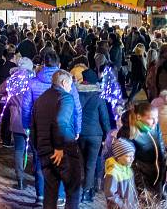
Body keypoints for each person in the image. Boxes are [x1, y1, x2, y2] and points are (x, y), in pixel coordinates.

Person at [31, 69, 82, 209]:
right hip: (63, 151)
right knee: (73, 189)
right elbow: (61, 122)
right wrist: (59, 147)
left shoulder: (40, 99)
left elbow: (33, 126)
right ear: (64, 82)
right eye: (70, 84)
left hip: (44, 151)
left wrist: (38, 149)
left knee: (50, 191)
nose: (71, 88)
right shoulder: (66, 97)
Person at [0, 56, 34, 190]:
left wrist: (9, 100)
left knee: (19, 149)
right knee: (34, 149)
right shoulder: (32, 82)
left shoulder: (12, 80)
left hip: (16, 119)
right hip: (31, 118)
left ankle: (20, 179)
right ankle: (36, 176)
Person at [116, 101, 166, 197]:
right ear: (139, 117)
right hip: (142, 181)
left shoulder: (155, 127)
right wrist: (141, 186)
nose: (155, 121)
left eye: (156, 117)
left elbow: (161, 145)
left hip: (159, 177)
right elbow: (129, 163)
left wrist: (164, 163)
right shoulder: (127, 133)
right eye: (151, 118)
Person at [77, 68, 111, 202]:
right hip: (95, 135)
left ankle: (88, 188)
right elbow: (104, 118)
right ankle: (87, 191)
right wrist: (107, 135)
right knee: (91, 164)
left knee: (84, 162)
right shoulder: (98, 97)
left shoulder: (76, 95)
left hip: (80, 134)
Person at [103, 137, 138, 209]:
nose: (132, 159)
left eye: (133, 156)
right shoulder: (113, 173)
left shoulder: (128, 169)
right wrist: (123, 205)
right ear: (119, 157)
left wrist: (135, 202)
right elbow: (110, 195)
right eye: (128, 156)